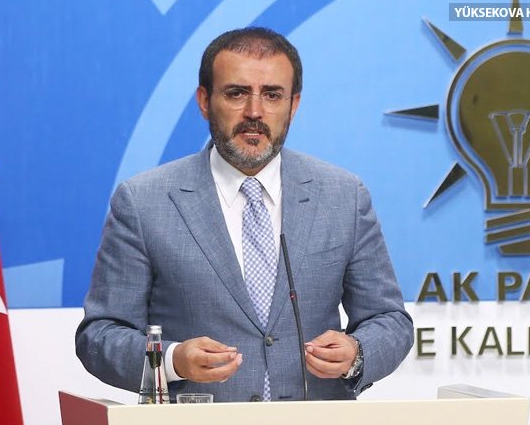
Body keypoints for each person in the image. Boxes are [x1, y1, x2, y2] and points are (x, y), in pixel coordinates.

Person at [76, 27, 413, 402]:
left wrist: (356, 353)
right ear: (205, 101)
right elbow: (100, 335)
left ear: (293, 105)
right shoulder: (143, 202)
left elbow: (390, 321)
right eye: (236, 93)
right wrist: (172, 361)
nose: (254, 112)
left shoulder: (344, 196)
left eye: (272, 95)